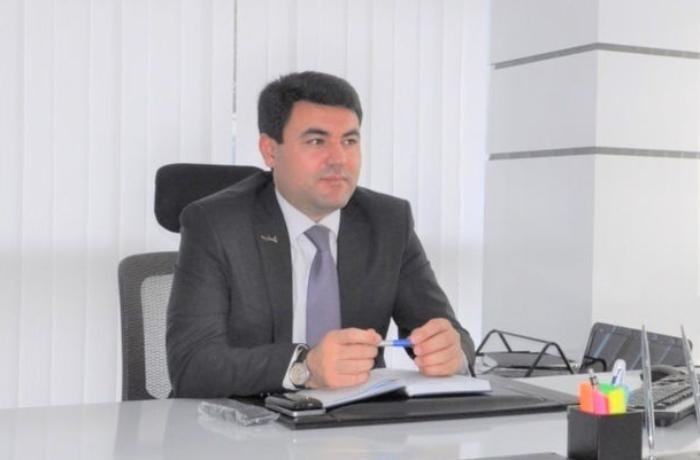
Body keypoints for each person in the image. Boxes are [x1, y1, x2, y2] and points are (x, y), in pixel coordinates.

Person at [166, 71, 475, 397]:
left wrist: (451, 353)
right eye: (317, 141)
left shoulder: (388, 222)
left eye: (349, 141)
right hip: (242, 420)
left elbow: (448, 333)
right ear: (270, 150)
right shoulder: (216, 224)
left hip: (355, 421)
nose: (339, 159)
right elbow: (191, 366)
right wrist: (305, 368)